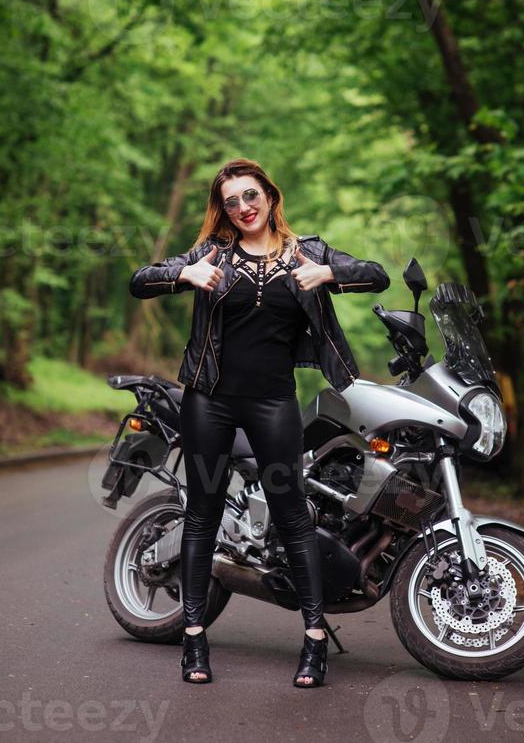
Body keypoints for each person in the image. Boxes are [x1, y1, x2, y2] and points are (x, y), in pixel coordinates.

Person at [128, 157, 390, 687]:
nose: (243, 208)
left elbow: (378, 275)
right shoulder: (211, 255)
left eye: (250, 196)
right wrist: (183, 272)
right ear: (222, 210)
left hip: (273, 404)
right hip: (210, 402)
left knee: (294, 516)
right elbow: (140, 281)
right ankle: (195, 641)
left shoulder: (306, 253)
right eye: (231, 202)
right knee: (201, 516)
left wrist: (330, 272)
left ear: (269, 196)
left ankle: (314, 642)